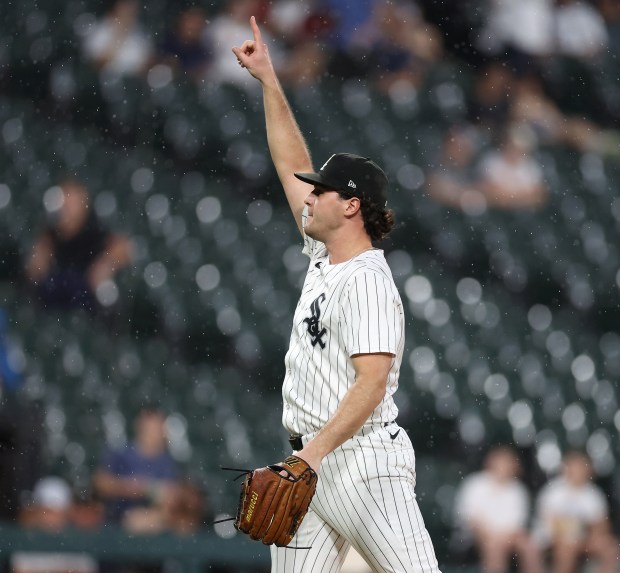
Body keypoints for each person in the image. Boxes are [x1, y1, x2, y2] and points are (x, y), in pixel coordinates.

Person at [232, 17, 440, 572]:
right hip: (310, 461)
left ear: (350, 205)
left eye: (321, 190)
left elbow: (371, 385)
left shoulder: (369, 278)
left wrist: (311, 458)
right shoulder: (325, 255)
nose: (309, 196)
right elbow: (287, 161)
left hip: (362, 463)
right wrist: (270, 81)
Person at [26, 179, 132, 311]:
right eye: (64, 200)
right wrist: (37, 262)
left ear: (83, 202)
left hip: (89, 302)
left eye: (71, 201)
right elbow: (35, 269)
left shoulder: (96, 226)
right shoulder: (50, 232)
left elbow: (123, 247)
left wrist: (107, 263)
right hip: (57, 299)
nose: (66, 206)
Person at [454, 446, 543, 573]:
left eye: (508, 463)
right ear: (490, 463)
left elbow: (518, 524)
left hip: (509, 536)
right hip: (475, 534)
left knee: (530, 546)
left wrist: (502, 536)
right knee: (493, 545)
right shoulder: (474, 483)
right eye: (501, 462)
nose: (504, 467)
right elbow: (469, 517)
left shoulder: (518, 490)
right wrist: (491, 535)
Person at [92, 406, 180, 527]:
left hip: (153, 525)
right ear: (140, 427)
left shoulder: (167, 462)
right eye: (150, 428)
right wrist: (136, 488)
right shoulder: (121, 454)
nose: (154, 432)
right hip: (116, 522)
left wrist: (153, 516)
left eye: (158, 427)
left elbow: (174, 497)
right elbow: (101, 484)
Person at [534, 451, 619, 573]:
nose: (578, 471)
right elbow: (553, 526)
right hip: (553, 539)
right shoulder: (553, 491)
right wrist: (582, 528)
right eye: (574, 466)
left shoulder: (594, 494)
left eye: (582, 466)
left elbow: (602, 527)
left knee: (611, 547)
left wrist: (588, 534)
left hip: (583, 538)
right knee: (566, 548)